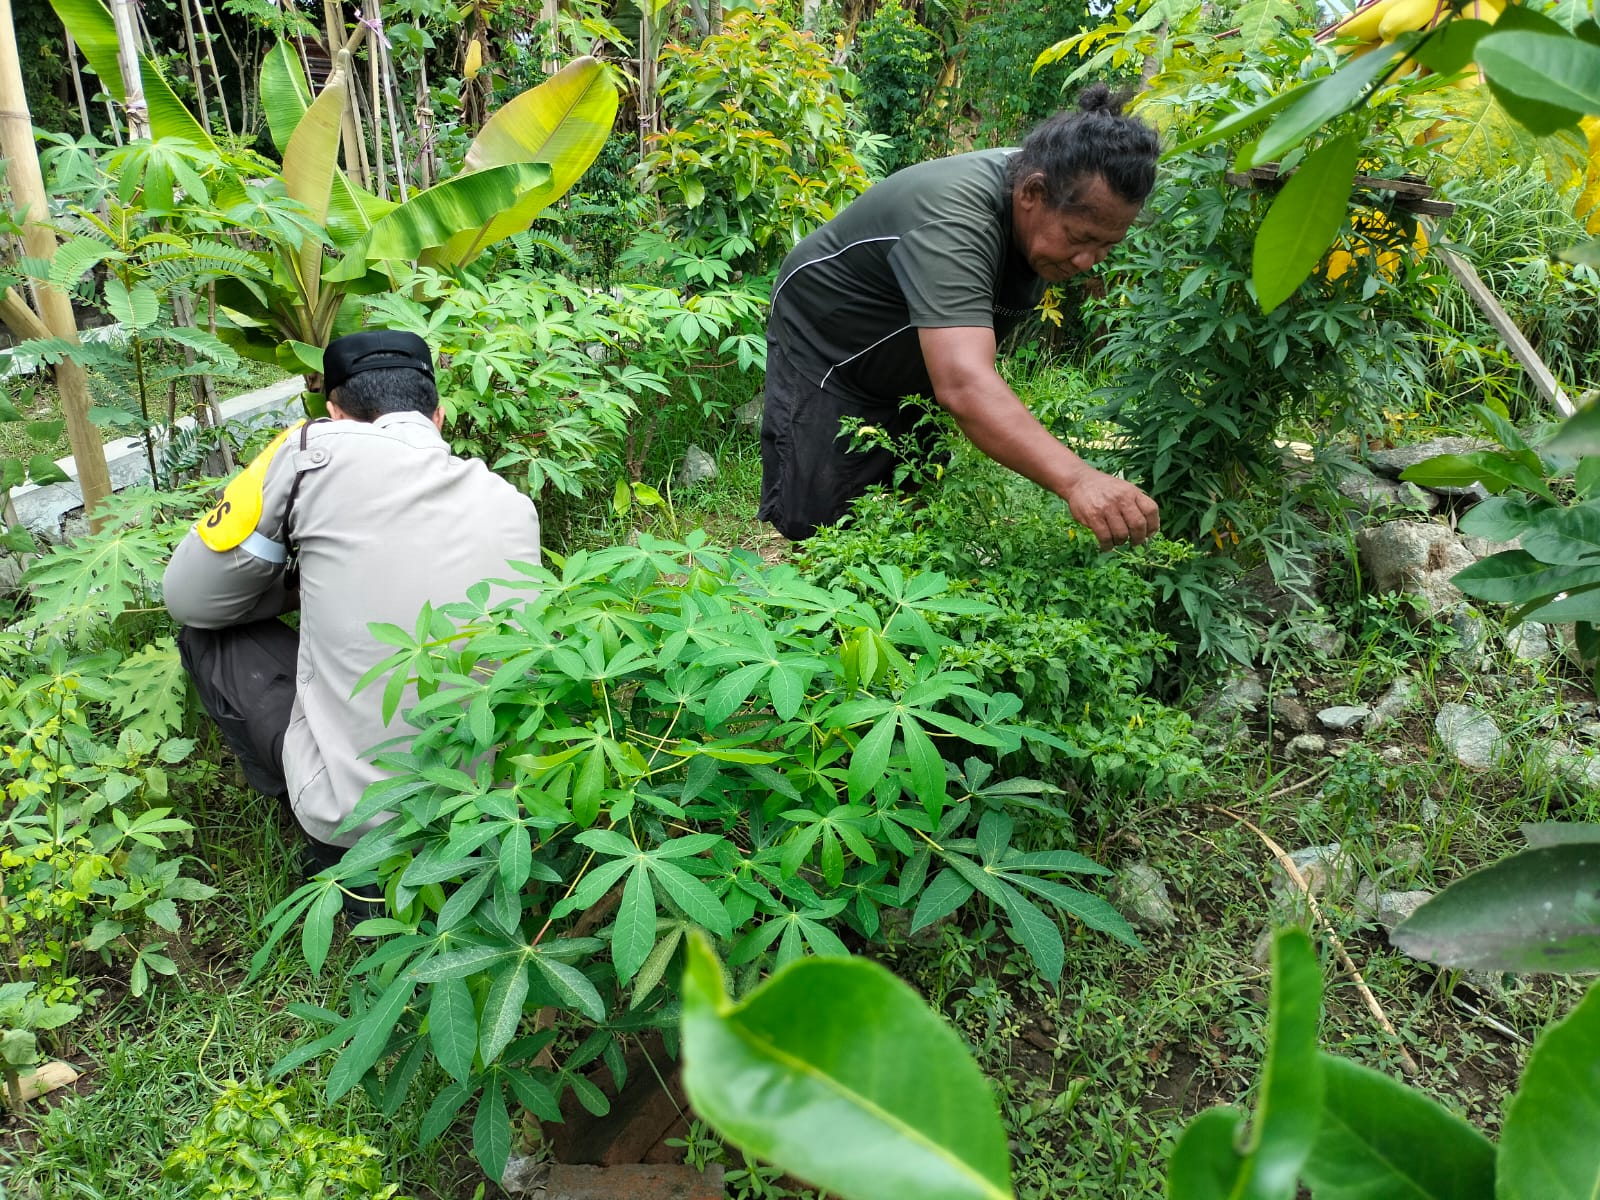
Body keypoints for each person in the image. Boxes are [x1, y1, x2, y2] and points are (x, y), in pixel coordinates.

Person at [164, 330, 542, 898]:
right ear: (438, 418)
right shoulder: (513, 502)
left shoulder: (312, 451)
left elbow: (190, 597)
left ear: (335, 413)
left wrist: (293, 583)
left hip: (355, 819)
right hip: (489, 809)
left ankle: (312, 823)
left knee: (207, 637)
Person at [759, 85, 1162, 548]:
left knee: (912, 500)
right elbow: (964, 384)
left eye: (1107, 246)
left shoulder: (1054, 185)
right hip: (829, 342)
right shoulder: (954, 218)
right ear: (1032, 192)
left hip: (910, 355)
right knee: (822, 522)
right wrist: (1078, 479)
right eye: (1080, 237)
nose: (1089, 261)